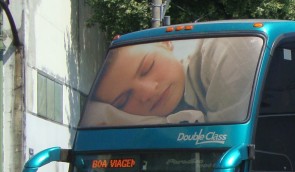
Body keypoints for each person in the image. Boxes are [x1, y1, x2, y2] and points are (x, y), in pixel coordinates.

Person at [80, 36, 263, 127]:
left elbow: (222, 146)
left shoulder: (225, 52)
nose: (148, 92)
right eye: (124, 100)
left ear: (166, 43)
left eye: (147, 67)